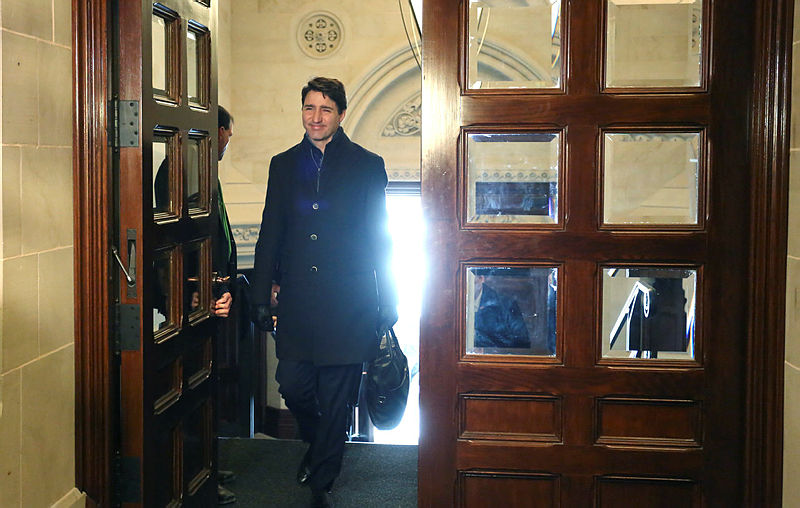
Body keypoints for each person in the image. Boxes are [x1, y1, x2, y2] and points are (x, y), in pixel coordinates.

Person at [250, 77, 397, 507]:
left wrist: (389, 298)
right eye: (309, 108)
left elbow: (380, 237)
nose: (316, 117)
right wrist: (260, 295)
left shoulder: (367, 165)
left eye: (325, 109)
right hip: (298, 302)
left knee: (336, 400)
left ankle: (322, 482)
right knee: (293, 385)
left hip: (351, 304)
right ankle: (318, 447)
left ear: (341, 115)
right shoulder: (283, 164)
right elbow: (270, 232)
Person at [154, 106, 239, 504]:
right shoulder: (179, 170)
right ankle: (192, 475)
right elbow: (176, 242)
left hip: (209, 295)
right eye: (227, 136)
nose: (226, 144)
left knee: (205, 389)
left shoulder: (203, 171)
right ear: (215, 132)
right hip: (188, 301)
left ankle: (206, 465)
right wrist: (191, 289)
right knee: (188, 393)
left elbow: (216, 238)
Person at [473, 268, 530, 349]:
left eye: (470, 279)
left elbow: (522, 342)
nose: (465, 285)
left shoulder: (506, 305)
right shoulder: (455, 303)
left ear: (481, 278)